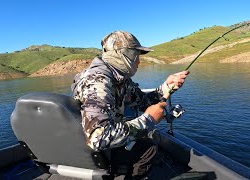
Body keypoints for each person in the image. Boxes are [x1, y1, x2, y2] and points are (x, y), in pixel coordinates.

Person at [71, 30, 189, 179]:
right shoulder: (98, 81)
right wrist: (149, 120)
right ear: (122, 54)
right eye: (135, 56)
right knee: (148, 148)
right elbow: (98, 138)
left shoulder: (120, 80)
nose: (139, 62)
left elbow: (144, 101)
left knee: (146, 142)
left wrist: (167, 86)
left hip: (105, 140)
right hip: (95, 150)